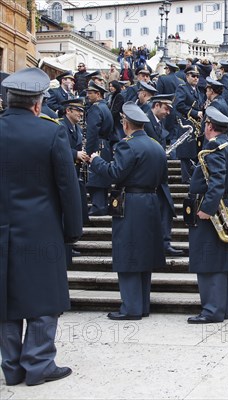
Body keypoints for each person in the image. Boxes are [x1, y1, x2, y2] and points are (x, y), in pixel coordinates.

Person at [0, 67, 83, 386]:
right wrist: (73, 229)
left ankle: (11, 366)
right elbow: (67, 186)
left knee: (5, 300)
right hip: (41, 229)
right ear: (37, 104)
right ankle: (38, 363)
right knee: (45, 298)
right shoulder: (51, 132)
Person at [89, 102, 167, 320]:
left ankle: (131, 308)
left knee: (129, 255)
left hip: (131, 203)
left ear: (126, 123)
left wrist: (96, 161)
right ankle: (142, 306)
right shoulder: (156, 145)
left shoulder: (127, 145)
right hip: (150, 201)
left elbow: (114, 173)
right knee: (143, 257)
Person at [187, 107, 228, 324]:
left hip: (213, 208)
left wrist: (206, 209)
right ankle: (221, 308)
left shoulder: (213, 147)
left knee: (208, 261)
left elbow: (216, 181)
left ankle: (212, 310)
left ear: (209, 126)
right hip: (223, 205)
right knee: (220, 262)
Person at [144, 94, 184, 257]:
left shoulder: (157, 122)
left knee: (166, 208)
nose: (168, 113)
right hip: (149, 176)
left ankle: (164, 243)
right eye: (166, 108)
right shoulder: (146, 121)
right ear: (157, 105)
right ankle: (160, 244)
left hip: (159, 175)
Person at [59, 98, 90, 227]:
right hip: (64, 171)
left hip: (75, 171)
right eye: (77, 110)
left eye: (82, 111)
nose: (81, 114)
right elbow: (58, 149)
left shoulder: (76, 127)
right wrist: (75, 154)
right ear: (68, 110)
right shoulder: (60, 126)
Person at [85, 81, 115, 216]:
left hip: (97, 145)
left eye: (90, 93)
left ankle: (98, 205)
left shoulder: (95, 108)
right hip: (105, 146)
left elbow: (92, 132)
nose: (87, 96)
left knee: (95, 176)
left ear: (98, 94)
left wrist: (88, 152)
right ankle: (101, 204)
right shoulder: (105, 107)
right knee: (102, 175)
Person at [174, 64, 204, 184]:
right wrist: (196, 113)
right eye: (193, 76)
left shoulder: (197, 91)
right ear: (187, 76)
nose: (196, 78)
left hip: (196, 125)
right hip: (186, 124)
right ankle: (186, 178)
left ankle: (192, 177)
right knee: (186, 152)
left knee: (194, 150)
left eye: (197, 76)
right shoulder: (182, 88)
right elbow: (179, 105)